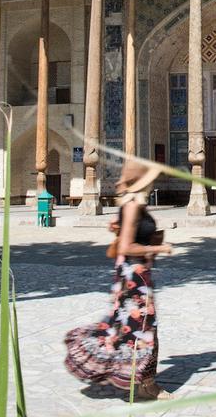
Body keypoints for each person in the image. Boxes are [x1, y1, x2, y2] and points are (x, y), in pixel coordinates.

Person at [64, 159, 173, 400]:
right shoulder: (132, 206)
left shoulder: (132, 206)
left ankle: (141, 380)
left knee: (134, 327)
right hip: (134, 276)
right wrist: (160, 249)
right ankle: (146, 384)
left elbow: (125, 235)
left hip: (135, 274)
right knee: (141, 329)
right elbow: (127, 246)